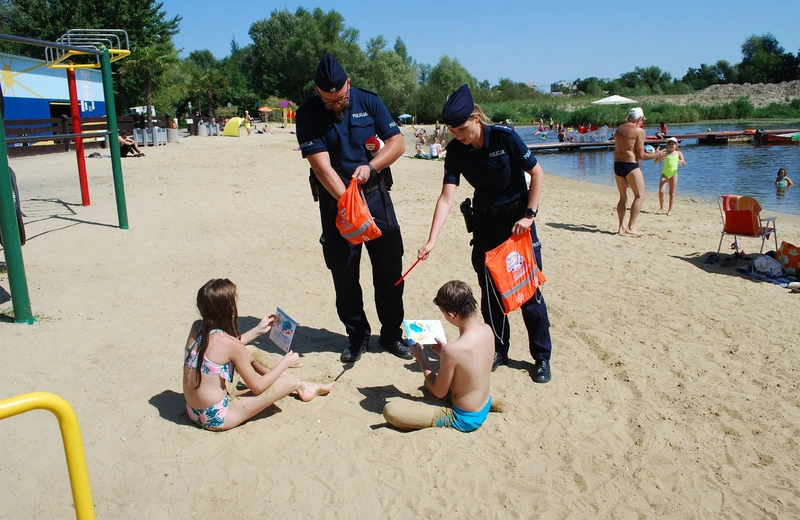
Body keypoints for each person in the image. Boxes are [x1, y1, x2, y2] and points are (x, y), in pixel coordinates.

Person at [417, 84, 554, 384]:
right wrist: (432, 239)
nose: (459, 135)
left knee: (528, 294)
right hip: (485, 228)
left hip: (517, 228)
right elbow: (446, 197)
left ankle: (541, 357)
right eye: (453, 131)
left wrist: (529, 216)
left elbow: (538, 173)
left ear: (476, 117)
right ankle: (499, 349)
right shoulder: (456, 151)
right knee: (491, 295)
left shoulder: (504, 138)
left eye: (463, 128)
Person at [296, 53, 412, 363]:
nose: (336, 105)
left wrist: (372, 167)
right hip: (338, 203)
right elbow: (322, 168)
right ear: (317, 92)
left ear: (349, 84)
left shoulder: (369, 102)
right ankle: (357, 336)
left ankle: (390, 335)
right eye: (328, 101)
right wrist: (349, 204)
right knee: (344, 273)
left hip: (375, 197)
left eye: (340, 98)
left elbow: (397, 144)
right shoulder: (307, 114)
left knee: (389, 270)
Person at [183, 279, 333, 431]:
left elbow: (224, 347)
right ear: (229, 309)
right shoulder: (232, 346)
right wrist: (284, 363)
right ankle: (302, 386)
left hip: (193, 410)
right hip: (216, 417)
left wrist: (258, 330)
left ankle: (304, 386)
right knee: (289, 381)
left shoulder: (197, 327)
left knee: (249, 351)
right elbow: (257, 387)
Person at [382, 281, 495, 432]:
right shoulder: (487, 330)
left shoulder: (452, 350)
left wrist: (421, 358)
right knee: (428, 382)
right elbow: (472, 365)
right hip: (484, 403)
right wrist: (444, 353)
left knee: (391, 412)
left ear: (450, 314)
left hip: (463, 417)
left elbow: (439, 392)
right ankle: (495, 404)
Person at [613, 107, 664, 236]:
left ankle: (620, 227)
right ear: (639, 118)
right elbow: (641, 155)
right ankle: (631, 227)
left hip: (618, 164)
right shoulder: (638, 131)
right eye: (642, 120)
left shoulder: (619, 129)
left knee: (623, 197)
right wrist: (657, 154)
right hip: (630, 165)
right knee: (640, 196)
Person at [654, 137, 686, 216]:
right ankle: (661, 208)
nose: (671, 145)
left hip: (673, 174)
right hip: (665, 174)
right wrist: (659, 157)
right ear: (667, 145)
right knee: (661, 191)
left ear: (676, 145)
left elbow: (684, 164)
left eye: (673, 144)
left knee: (671, 193)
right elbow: (655, 162)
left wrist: (680, 161)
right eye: (669, 144)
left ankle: (670, 210)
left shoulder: (679, 153)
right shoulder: (665, 153)